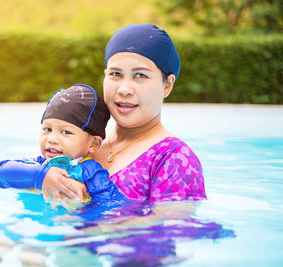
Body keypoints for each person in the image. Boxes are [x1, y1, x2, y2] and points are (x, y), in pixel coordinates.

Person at [42, 24, 207, 202]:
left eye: (140, 76)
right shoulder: (85, 142)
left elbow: (171, 228)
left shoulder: (174, 159)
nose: (124, 89)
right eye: (116, 74)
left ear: (167, 85)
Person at [0, 84, 126, 202]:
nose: (52, 139)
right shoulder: (39, 164)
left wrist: (86, 205)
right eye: (47, 129)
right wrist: (41, 175)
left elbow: (111, 204)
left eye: (66, 132)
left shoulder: (90, 173)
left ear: (93, 144)